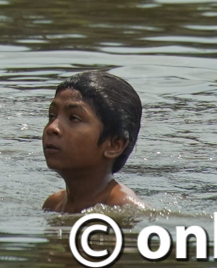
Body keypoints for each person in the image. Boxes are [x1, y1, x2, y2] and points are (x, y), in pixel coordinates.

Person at [41, 71, 144, 213]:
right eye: (52, 116)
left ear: (114, 145)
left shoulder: (124, 208)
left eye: (74, 118)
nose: (52, 127)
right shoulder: (53, 205)